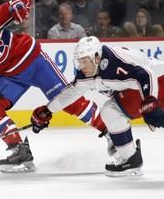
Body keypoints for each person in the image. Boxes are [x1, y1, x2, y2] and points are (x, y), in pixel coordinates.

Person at [0, 0, 111, 173]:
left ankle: (112, 133)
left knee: (69, 102)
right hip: (9, 75)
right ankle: (19, 149)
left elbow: (21, 0)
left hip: (32, 60)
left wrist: (18, 6)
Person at [31, 36, 164, 176]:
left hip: (159, 82)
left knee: (111, 110)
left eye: (84, 61)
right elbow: (71, 92)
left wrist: (150, 100)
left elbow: (147, 75)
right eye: (79, 61)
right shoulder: (90, 71)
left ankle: (131, 159)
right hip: (143, 90)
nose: (81, 66)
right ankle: (131, 159)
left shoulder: (115, 63)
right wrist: (47, 110)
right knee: (109, 110)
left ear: (97, 57)